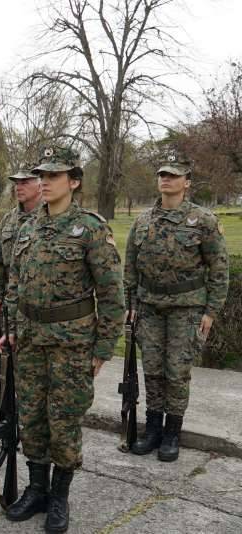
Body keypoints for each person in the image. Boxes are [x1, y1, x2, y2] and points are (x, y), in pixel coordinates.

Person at [4, 146, 123, 532]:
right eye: (42, 175)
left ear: (73, 181)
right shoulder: (28, 227)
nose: (44, 181)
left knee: (64, 420)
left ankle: (59, 497)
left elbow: (111, 294)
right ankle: (37, 488)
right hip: (30, 340)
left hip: (71, 344)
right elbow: (15, 282)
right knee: (32, 416)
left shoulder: (91, 228)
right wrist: (11, 328)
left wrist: (103, 347)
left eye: (53, 175)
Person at [124, 151, 229, 462]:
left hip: (187, 309)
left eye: (173, 174)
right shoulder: (143, 221)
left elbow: (219, 268)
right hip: (149, 307)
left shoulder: (203, 220)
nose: (166, 179)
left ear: (187, 182)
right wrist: (131, 303)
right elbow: (130, 267)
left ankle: (172, 433)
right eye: (162, 174)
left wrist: (210, 311)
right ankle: (153, 429)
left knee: (177, 371)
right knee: (152, 369)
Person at [0, 164, 42, 316]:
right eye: (17, 183)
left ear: (40, 185)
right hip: (9, 302)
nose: (18, 187)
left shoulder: (50, 217)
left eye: (25, 182)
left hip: (38, 304)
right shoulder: (8, 219)